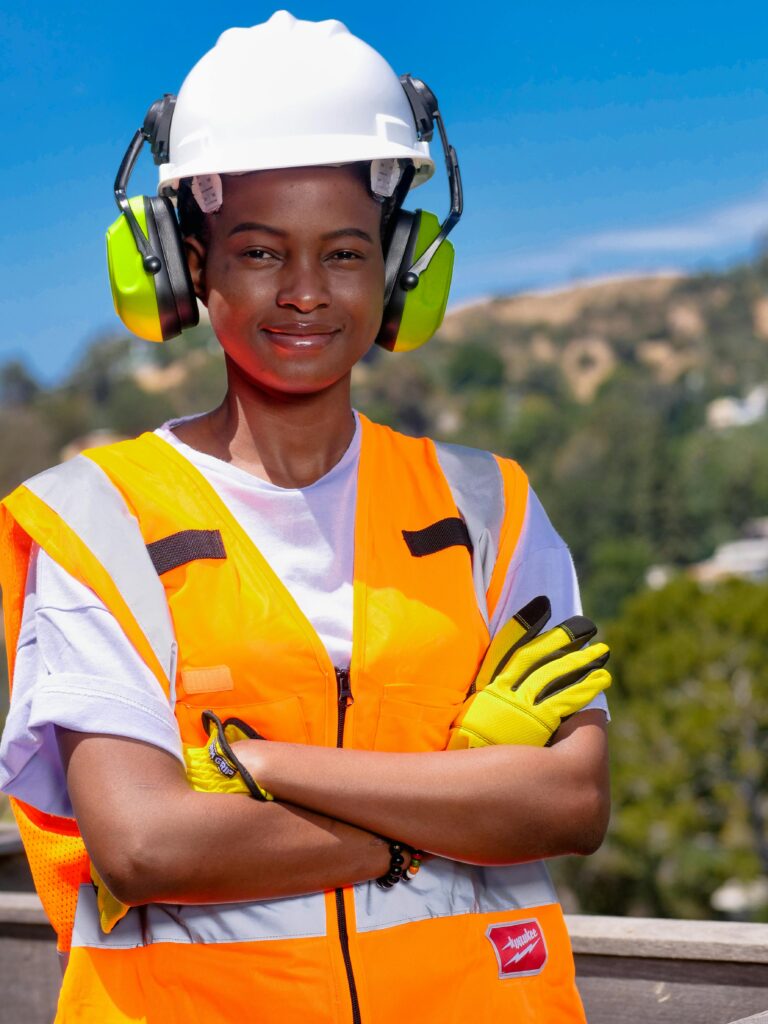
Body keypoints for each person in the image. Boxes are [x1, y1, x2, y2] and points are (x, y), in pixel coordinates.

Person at [0, 12, 611, 1023]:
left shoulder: (490, 508)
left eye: (341, 253)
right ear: (186, 266)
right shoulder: (100, 523)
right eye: (257, 252)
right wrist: (453, 800)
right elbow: (146, 844)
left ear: (398, 267)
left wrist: (265, 768)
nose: (303, 294)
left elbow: (570, 805)